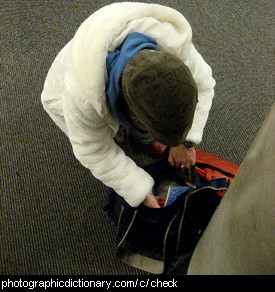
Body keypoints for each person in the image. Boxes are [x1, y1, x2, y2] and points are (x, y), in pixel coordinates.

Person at [41, 2, 216, 208]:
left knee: (150, 117)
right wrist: (137, 189)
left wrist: (185, 143)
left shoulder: (176, 50)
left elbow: (204, 86)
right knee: (105, 135)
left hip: (109, 59)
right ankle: (134, 133)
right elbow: (93, 150)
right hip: (62, 93)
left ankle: (145, 137)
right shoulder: (80, 99)